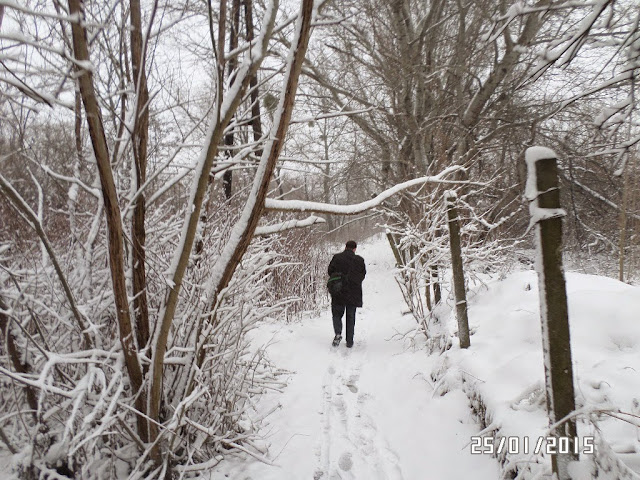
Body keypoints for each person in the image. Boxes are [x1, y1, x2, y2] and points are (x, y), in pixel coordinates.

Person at [327, 240, 366, 348]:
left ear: (345, 247)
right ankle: (349, 341)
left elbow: (330, 271)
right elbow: (362, 275)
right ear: (355, 249)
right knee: (351, 316)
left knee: (337, 314)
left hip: (338, 290)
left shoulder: (337, 258)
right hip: (353, 292)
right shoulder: (359, 260)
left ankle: (338, 333)